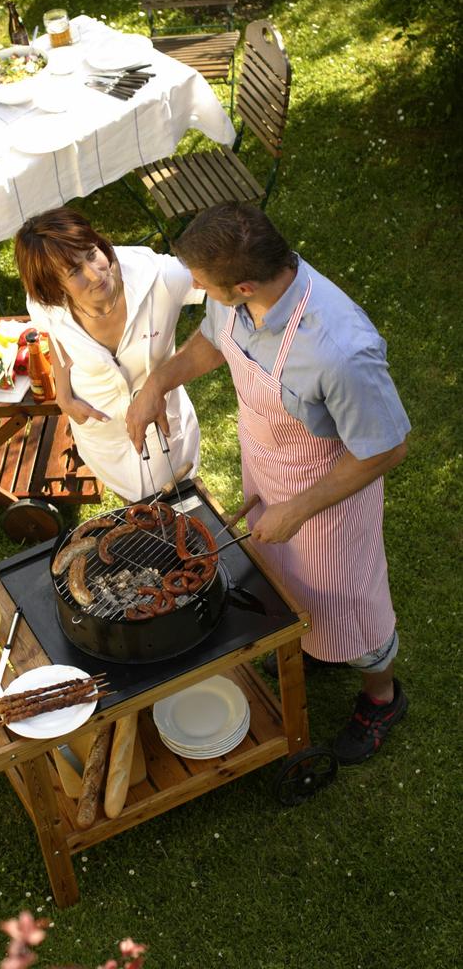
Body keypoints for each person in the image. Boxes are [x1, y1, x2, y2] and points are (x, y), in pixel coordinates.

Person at [126, 203, 410, 764]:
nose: (199, 291)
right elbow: (215, 340)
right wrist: (158, 381)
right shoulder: (235, 297)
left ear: (244, 284)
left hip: (327, 496)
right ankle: (306, 643)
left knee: (347, 602)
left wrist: (300, 508)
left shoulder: (340, 350)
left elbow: (386, 447)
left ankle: (382, 695)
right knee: (280, 579)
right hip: (268, 467)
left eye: (205, 284)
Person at [14, 207, 201, 502]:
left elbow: (228, 292)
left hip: (165, 431)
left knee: (182, 506)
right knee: (135, 513)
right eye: (74, 272)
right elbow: (55, 334)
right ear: (53, 287)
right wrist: (63, 394)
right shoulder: (44, 304)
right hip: (102, 435)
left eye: (91, 254)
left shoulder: (160, 277)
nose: (94, 273)